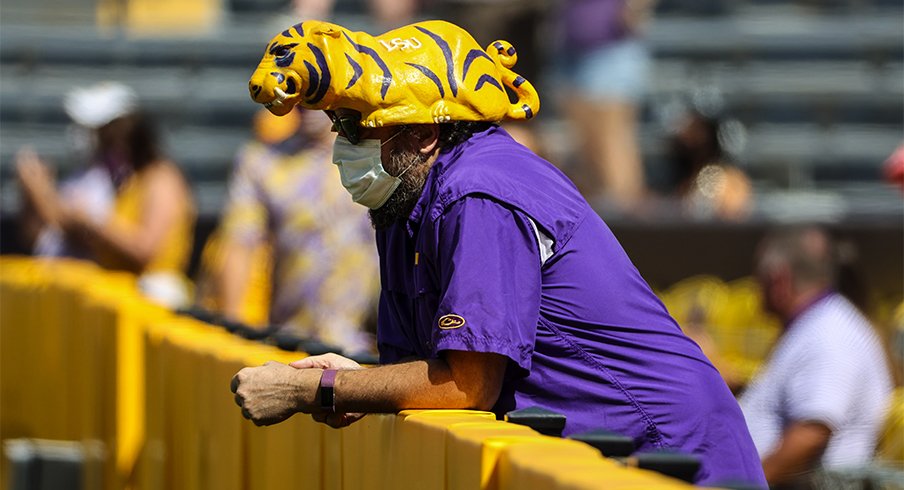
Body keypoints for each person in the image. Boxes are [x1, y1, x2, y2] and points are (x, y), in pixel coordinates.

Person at [231, 19, 766, 487]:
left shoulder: (477, 192)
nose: (340, 144)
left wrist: (321, 390)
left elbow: (467, 386)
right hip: (595, 455)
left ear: (422, 135)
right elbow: (422, 373)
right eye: (337, 125)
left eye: (355, 127)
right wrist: (348, 381)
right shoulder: (404, 198)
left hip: (667, 454)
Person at [199, 107, 379, 355]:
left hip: (362, 348)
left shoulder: (375, 157)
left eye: (317, 92)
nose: (307, 103)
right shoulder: (263, 162)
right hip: (291, 344)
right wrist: (235, 334)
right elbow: (239, 244)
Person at [16, 81, 196, 308]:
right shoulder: (130, 182)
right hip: (125, 298)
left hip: (155, 298)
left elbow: (146, 249)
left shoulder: (161, 178)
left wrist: (92, 221)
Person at [740, 226, 894, 488]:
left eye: (759, 278)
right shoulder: (816, 323)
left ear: (779, 280)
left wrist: (747, 484)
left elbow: (812, 432)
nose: (755, 289)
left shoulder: (829, 333)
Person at [552, 0, 656, 213]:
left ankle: (628, 221)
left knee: (612, 140)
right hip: (573, 47)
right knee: (588, 144)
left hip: (610, 49)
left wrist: (634, 9)